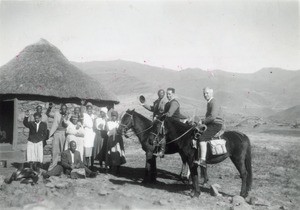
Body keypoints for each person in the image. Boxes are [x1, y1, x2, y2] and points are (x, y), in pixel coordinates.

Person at [193, 87, 224, 167]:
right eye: (204, 93)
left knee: (202, 137)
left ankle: (203, 160)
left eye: (207, 93)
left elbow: (213, 116)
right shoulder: (210, 102)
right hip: (211, 123)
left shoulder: (213, 102)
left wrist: (202, 121)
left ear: (211, 93)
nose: (205, 95)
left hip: (216, 124)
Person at [154, 87, 186, 158]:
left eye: (170, 94)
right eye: (167, 94)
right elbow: (165, 113)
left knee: (162, 131)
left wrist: (159, 117)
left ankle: (162, 151)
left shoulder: (174, 103)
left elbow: (169, 114)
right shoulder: (167, 103)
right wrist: (158, 116)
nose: (168, 95)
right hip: (169, 122)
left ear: (173, 94)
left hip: (174, 124)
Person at [46, 104, 69, 171]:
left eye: (65, 108)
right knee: (55, 150)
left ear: (66, 109)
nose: (64, 109)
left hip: (64, 134)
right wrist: (49, 108)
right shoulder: (56, 114)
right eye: (63, 108)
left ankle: (64, 167)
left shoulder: (68, 116)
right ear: (61, 109)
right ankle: (53, 167)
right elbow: (48, 114)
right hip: (57, 133)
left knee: (64, 151)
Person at [105, 110, 126, 175]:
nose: (114, 117)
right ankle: (110, 167)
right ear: (111, 116)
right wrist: (114, 130)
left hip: (118, 139)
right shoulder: (108, 123)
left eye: (115, 116)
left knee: (118, 152)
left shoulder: (119, 123)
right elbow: (108, 133)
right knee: (111, 152)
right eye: (113, 116)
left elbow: (122, 130)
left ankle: (118, 168)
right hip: (111, 139)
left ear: (117, 117)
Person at [81, 101, 96, 168]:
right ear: (86, 109)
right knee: (87, 149)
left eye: (90, 109)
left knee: (92, 150)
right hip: (87, 133)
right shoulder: (84, 115)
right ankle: (86, 165)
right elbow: (82, 123)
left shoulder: (93, 116)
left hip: (92, 134)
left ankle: (92, 165)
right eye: (88, 109)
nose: (89, 110)